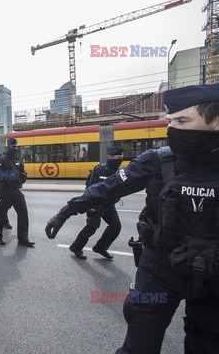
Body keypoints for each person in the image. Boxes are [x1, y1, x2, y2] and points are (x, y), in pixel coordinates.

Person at [45, 83, 219, 353]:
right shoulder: (159, 160)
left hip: (213, 277)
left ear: (216, 121)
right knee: (138, 345)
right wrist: (66, 211)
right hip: (159, 270)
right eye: (170, 121)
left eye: (183, 121)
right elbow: (106, 189)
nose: (172, 129)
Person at [68, 146, 124, 260]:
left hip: (108, 205)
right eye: (118, 157)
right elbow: (95, 190)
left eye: (121, 157)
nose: (120, 160)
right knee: (91, 227)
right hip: (96, 204)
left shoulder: (114, 169)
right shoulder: (103, 169)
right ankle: (76, 247)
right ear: (110, 157)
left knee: (115, 226)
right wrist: (95, 208)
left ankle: (100, 247)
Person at [0, 138, 34, 247]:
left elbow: (22, 172)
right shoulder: (1, 160)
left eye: (16, 147)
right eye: (13, 147)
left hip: (16, 191)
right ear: (8, 146)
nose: (15, 149)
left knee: (23, 213)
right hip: (4, 191)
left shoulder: (17, 160)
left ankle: (23, 239)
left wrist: (23, 177)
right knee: (0, 215)